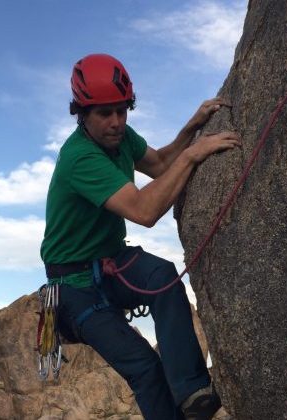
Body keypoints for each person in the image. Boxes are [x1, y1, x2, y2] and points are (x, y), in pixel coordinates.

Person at [40, 53, 241, 420]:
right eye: (104, 113)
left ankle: (194, 393)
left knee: (163, 277)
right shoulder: (80, 158)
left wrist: (190, 129)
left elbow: (161, 164)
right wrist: (193, 155)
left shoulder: (121, 138)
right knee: (145, 368)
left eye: (122, 110)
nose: (116, 122)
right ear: (81, 113)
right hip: (73, 285)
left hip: (110, 259)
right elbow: (144, 211)